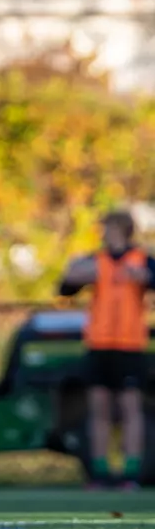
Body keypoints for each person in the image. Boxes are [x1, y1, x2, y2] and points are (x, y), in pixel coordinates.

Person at [59, 209, 155, 490]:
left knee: (130, 409)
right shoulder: (95, 260)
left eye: (108, 227)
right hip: (99, 343)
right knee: (99, 407)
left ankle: (131, 472)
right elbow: (65, 286)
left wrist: (143, 276)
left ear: (122, 229)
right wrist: (76, 275)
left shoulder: (141, 258)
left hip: (129, 344)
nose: (104, 233)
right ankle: (99, 472)